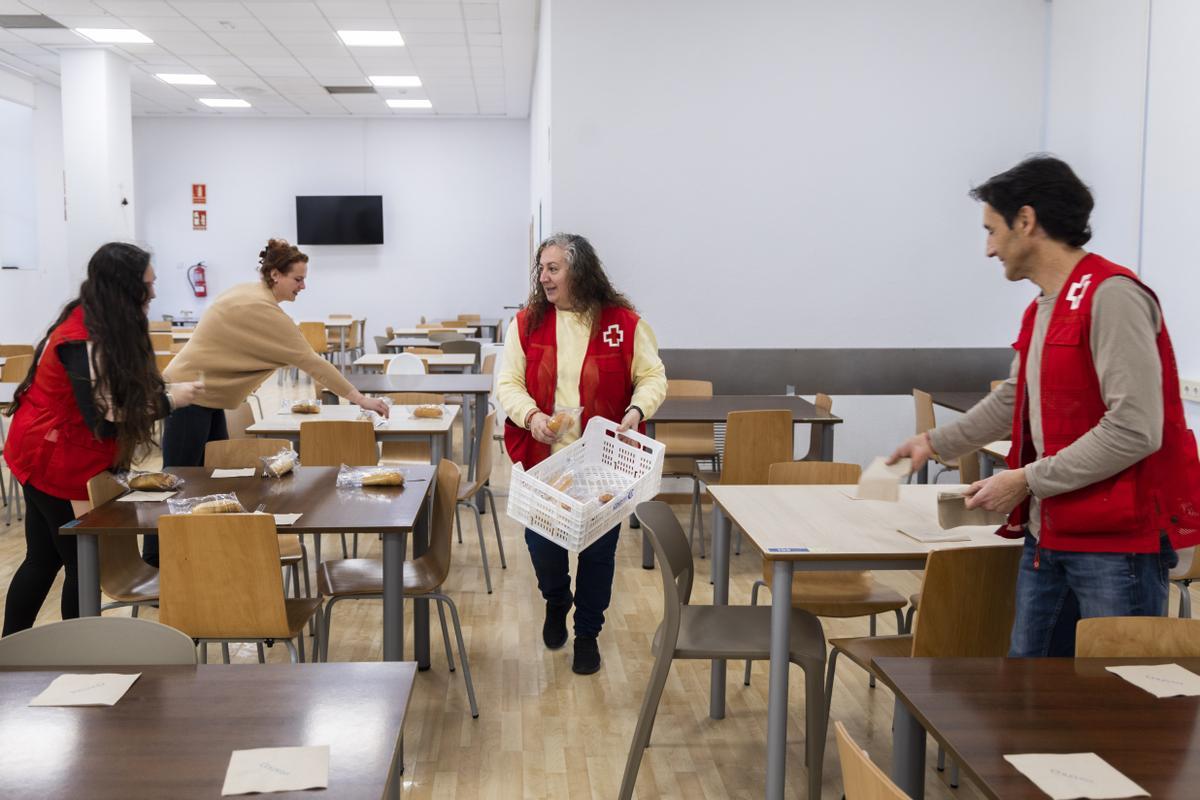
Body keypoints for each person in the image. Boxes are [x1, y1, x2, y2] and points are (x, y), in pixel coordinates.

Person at [890, 156, 1200, 657]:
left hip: (1116, 547)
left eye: (992, 230)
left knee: (1117, 702)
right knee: (1030, 696)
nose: (988, 248)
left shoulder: (1112, 296)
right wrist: (934, 442)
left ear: (1027, 222)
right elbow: (1014, 398)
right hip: (1050, 532)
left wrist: (1025, 480)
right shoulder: (1043, 306)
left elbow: (1135, 429)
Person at [146, 238, 389, 565]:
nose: (304, 285)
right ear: (275, 275)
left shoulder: (248, 293)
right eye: (298, 279)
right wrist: (360, 399)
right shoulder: (261, 309)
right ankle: (155, 565)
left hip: (206, 396)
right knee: (177, 481)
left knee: (208, 479)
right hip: (188, 395)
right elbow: (314, 362)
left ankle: (196, 559)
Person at [2, 242, 202, 635]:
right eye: (149, 284)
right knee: (79, 561)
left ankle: (12, 652)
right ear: (124, 286)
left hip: (48, 448)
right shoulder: (83, 337)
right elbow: (105, 420)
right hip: (52, 457)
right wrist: (168, 400)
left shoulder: (98, 322)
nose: (155, 293)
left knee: (44, 558)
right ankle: (76, 657)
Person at [498, 233, 667, 675]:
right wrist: (531, 415)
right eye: (541, 268)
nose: (544, 277)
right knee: (543, 546)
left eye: (553, 268)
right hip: (544, 458)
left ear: (580, 270)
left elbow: (652, 376)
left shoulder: (623, 322)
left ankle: (587, 632)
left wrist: (636, 409)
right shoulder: (527, 324)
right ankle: (557, 600)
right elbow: (507, 384)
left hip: (603, 464)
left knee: (598, 553)